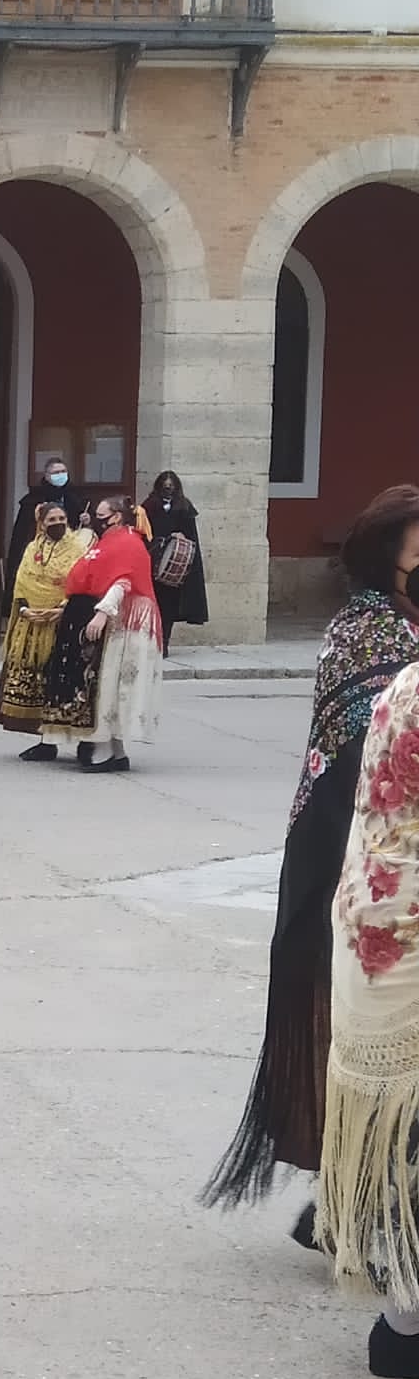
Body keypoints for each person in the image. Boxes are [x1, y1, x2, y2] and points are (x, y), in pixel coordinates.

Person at [203, 485, 419, 1250]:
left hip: (374, 847)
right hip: (349, 849)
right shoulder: (370, 631)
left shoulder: (394, 624)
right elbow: (371, 757)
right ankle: (352, 1199)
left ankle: (346, 1199)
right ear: (390, 550)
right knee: (365, 1032)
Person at [315, 658, 419, 1377]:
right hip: (403, 932)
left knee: (404, 1137)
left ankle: (403, 1316)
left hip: (378, 925)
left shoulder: (405, 681)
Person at [39, 496, 164, 773]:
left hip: (129, 622)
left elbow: (123, 580)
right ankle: (116, 752)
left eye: (101, 514)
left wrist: (102, 613)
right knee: (111, 685)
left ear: (116, 516)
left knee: (112, 686)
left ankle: (105, 751)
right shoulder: (112, 540)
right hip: (120, 620)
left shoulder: (127, 542)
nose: (97, 519)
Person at [0, 501, 92, 760]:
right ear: (41, 524)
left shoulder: (77, 548)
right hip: (32, 623)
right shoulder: (32, 548)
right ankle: (45, 741)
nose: (57, 523)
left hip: (64, 622)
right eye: (51, 520)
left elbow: (80, 582)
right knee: (38, 683)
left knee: (64, 682)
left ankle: (83, 741)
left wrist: (62, 607)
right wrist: (25, 609)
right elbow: (22, 581)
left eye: (61, 518)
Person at [3, 456, 87, 606]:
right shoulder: (33, 499)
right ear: (47, 476)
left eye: (63, 471)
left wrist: (86, 519)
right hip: (40, 550)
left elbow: (82, 519)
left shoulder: (75, 496)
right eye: (56, 473)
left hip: (68, 549)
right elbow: (23, 532)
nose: (60, 475)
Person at [144, 470, 209, 651]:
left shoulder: (184, 506)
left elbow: (191, 535)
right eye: (165, 486)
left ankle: (164, 643)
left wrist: (181, 537)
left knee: (169, 607)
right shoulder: (149, 506)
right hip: (154, 561)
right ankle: (151, 641)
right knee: (154, 604)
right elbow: (145, 533)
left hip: (173, 569)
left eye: (171, 486)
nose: (168, 489)